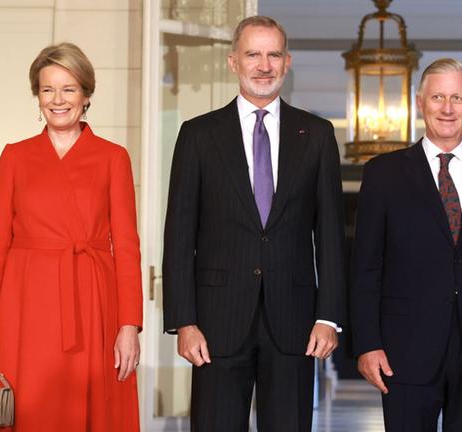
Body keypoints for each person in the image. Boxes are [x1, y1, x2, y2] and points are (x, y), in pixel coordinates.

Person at [162, 16, 347, 432]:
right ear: (233, 62)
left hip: (295, 322)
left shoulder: (316, 135)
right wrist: (184, 321)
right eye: (253, 54)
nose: (264, 65)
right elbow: (179, 235)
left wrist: (329, 316)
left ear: (287, 62)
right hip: (215, 322)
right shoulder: (198, 135)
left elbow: (331, 236)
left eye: (273, 55)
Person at [0, 42, 142, 431]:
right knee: (28, 405)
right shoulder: (14, 156)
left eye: (69, 89)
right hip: (23, 306)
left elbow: (127, 248)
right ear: (37, 96)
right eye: (48, 89)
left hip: (92, 302)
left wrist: (128, 325)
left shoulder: (113, 157)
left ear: (86, 95)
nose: (58, 100)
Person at [350, 58, 462, 431]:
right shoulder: (383, 174)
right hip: (404, 348)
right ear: (420, 102)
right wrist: (367, 343)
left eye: (457, 98)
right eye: (438, 97)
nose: (447, 108)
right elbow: (366, 267)